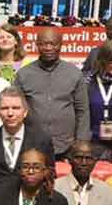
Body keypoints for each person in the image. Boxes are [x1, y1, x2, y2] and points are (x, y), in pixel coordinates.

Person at [12, 27, 89, 159]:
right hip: (31, 146)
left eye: (53, 44)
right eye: (43, 44)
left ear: (61, 45)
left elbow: (82, 110)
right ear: (37, 45)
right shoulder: (23, 74)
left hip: (67, 147)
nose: (48, 48)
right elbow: (15, 110)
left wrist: (80, 142)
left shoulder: (74, 73)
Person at [0, 87, 55, 197]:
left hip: (31, 204)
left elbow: (49, 176)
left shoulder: (42, 140)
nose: (10, 113)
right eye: (4, 108)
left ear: (25, 112)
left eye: (16, 108)